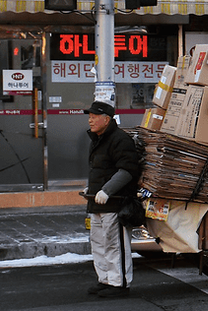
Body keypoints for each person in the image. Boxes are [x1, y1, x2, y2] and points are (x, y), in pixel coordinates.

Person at [83, 101, 140, 298]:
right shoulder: (97, 139)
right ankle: (105, 279)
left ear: (106, 119)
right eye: (89, 116)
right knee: (98, 243)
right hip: (97, 202)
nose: (90, 119)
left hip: (115, 201)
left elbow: (128, 170)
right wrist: (91, 189)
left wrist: (106, 190)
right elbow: (100, 170)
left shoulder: (119, 140)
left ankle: (119, 283)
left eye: (94, 116)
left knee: (115, 244)